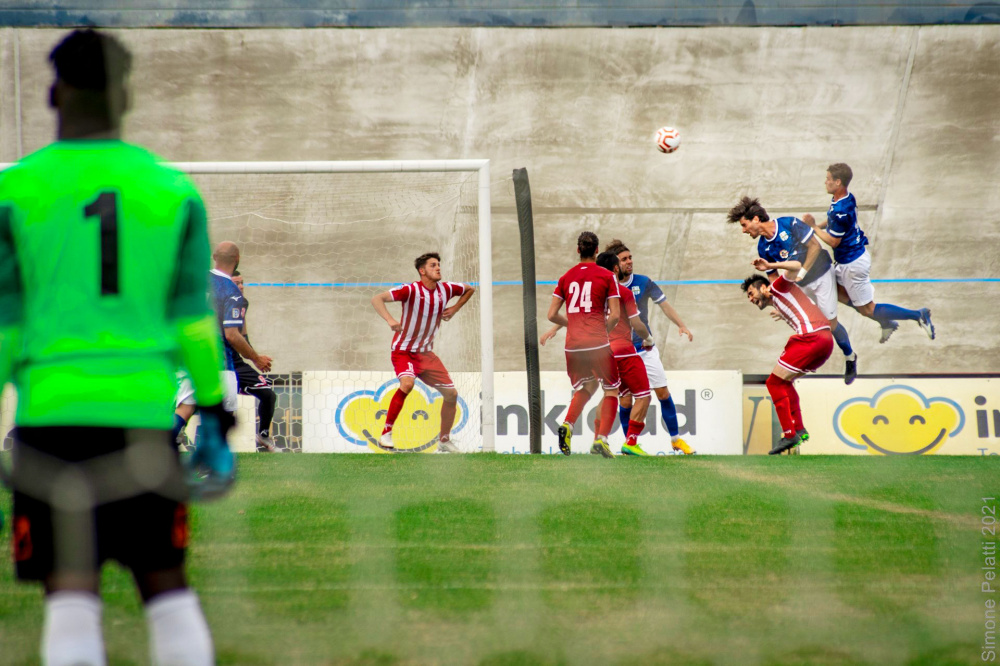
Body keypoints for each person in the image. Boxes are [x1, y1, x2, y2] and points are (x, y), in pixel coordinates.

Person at [0, 29, 234, 666]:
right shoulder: (172, 190)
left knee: (69, 593)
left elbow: (7, 324)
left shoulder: (13, 192)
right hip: (141, 419)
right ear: (125, 94)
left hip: (52, 419)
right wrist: (211, 414)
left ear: (54, 91)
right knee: (165, 584)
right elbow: (192, 319)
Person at [727, 197, 858, 384]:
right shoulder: (763, 248)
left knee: (830, 324)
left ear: (756, 219)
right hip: (801, 283)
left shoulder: (788, 223)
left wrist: (802, 272)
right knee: (813, 324)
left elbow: (815, 246)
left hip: (820, 273)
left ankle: (850, 356)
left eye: (744, 224)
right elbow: (774, 282)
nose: (743, 230)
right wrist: (783, 307)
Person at [803, 163, 934, 343]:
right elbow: (833, 222)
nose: (825, 182)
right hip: (848, 260)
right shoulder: (844, 198)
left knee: (868, 309)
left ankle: (918, 315)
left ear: (838, 182)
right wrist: (818, 226)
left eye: (828, 179)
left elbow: (833, 241)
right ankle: (888, 322)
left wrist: (813, 228)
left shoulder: (841, 211)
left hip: (852, 265)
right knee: (839, 293)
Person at [541, 252, 655, 456]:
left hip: (592, 349)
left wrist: (554, 329)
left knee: (595, 388)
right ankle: (628, 441)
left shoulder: (593, 288)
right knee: (643, 396)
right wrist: (648, 339)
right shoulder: (622, 291)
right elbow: (636, 324)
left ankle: (583, 431)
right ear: (615, 268)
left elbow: (580, 315)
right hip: (620, 351)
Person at [371, 252, 475, 453]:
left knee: (451, 394)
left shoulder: (446, 289)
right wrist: (390, 320)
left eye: (438, 265)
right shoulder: (410, 290)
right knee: (407, 384)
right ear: (422, 271)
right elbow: (377, 299)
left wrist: (455, 308)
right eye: (433, 265)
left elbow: (470, 289)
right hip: (404, 351)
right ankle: (386, 432)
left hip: (427, 354)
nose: (438, 268)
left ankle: (444, 440)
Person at [603, 239, 696, 454]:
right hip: (621, 351)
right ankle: (631, 445)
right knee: (626, 400)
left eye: (630, 257)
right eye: (624, 259)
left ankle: (676, 440)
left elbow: (664, 305)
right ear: (615, 264)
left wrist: (681, 325)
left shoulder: (644, 282)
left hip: (645, 349)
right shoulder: (609, 288)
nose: (630, 262)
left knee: (662, 392)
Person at [741, 271, 834, 455]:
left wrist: (770, 265)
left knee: (773, 383)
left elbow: (794, 267)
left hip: (811, 338)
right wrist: (783, 313)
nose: (751, 299)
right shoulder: (780, 301)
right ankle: (799, 429)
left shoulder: (777, 287)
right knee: (785, 382)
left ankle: (790, 434)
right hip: (825, 341)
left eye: (751, 293)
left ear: (763, 287)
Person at [546, 232, 622, 458]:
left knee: (587, 386)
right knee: (611, 388)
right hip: (597, 343)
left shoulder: (565, 277)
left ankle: (568, 425)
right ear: (597, 250)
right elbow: (615, 316)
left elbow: (551, 315)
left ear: (578, 250)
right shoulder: (607, 276)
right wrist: (601, 333)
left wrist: (573, 325)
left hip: (573, 346)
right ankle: (601, 439)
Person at [231, 271, 279, 452]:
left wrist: (257, 357)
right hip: (217, 364)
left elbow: (242, 337)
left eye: (242, 283)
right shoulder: (214, 303)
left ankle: (263, 437)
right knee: (206, 403)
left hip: (235, 362)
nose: (241, 287)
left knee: (268, 395)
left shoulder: (242, 303)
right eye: (237, 283)